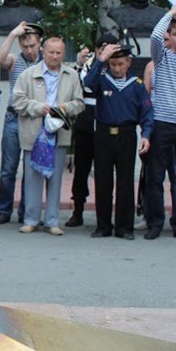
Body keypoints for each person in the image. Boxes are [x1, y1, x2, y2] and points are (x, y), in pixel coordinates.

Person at [13, 37, 84, 235]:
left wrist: (64, 108)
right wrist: (39, 108)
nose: (54, 56)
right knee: (32, 178)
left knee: (55, 178)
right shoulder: (28, 75)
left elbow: (79, 103)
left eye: (58, 52)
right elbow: (17, 101)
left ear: (63, 54)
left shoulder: (71, 75)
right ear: (43, 51)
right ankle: (31, 219)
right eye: (50, 52)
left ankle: (52, 220)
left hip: (58, 133)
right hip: (34, 133)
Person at [83, 44, 153, 239]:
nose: (117, 68)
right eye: (113, 64)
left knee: (125, 180)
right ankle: (103, 226)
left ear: (129, 62)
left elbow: (147, 112)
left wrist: (146, 134)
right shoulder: (102, 80)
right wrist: (101, 60)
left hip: (127, 134)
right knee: (103, 180)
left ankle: (124, 227)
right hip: (104, 134)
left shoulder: (136, 85)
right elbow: (88, 83)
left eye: (121, 64)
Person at [143, 6, 176, 241]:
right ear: (169, 36)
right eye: (175, 33)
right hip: (161, 122)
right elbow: (153, 36)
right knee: (155, 176)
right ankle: (155, 222)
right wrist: (170, 14)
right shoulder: (162, 57)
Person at [0, 21, 43, 224]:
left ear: (39, 43)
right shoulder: (15, 60)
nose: (29, 50)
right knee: (8, 168)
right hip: (14, 117)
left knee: (31, 169)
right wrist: (13, 34)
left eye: (32, 45)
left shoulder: (45, 63)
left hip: (35, 118)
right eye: (25, 46)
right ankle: (4, 210)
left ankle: (26, 211)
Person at [64, 33, 117, 227]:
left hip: (106, 124)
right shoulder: (90, 64)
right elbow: (87, 85)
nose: (106, 51)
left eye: (110, 47)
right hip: (86, 125)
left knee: (105, 173)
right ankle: (77, 211)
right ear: (96, 49)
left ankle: (104, 217)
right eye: (102, 48)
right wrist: (98, 62)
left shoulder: (117, 65)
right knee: (81, 171)